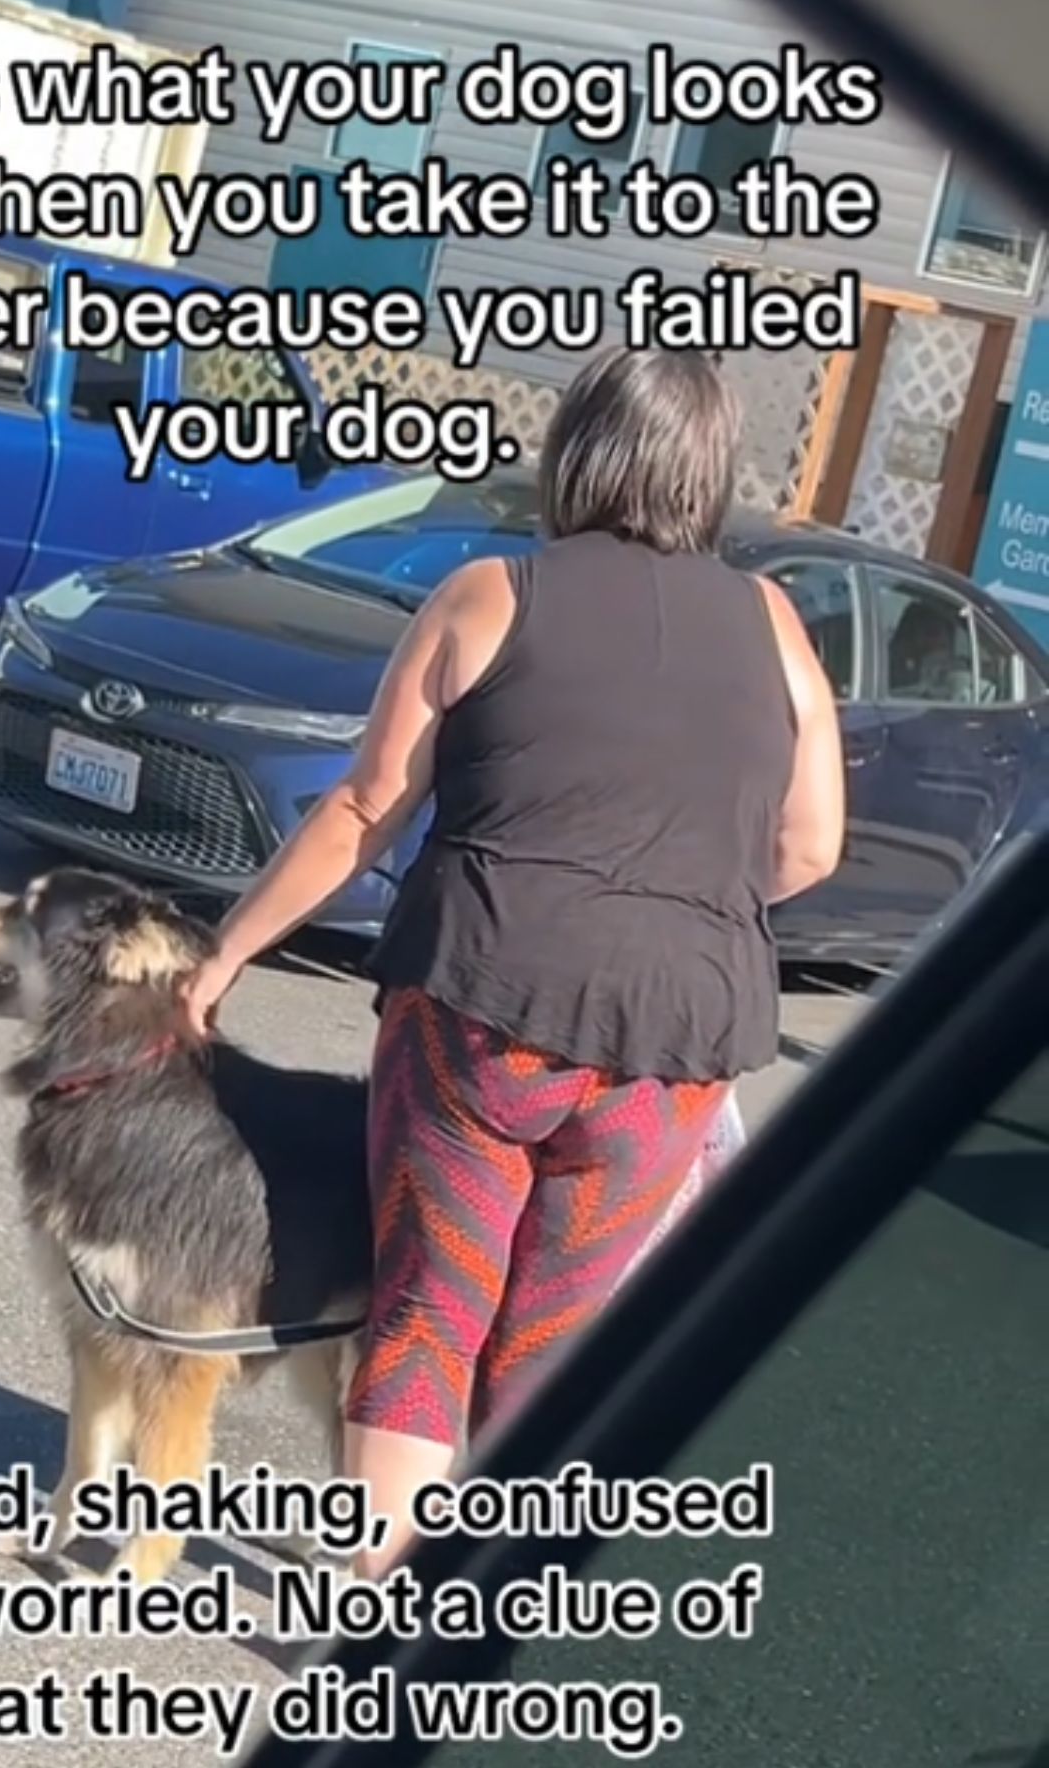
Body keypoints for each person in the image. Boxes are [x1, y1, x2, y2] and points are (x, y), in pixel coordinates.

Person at [178, 346, 845, 1577]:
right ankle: (490, 1614)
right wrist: (677, 906)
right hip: (674, 1048)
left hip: (479, 1014)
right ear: (710, 473)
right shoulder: (774, 624)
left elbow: (365, 809)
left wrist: (228, 953)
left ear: (577, 450)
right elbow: (810, 845)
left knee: (431, 1310)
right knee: (554, 1337)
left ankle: (382, 1613)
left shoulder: (492, 595)